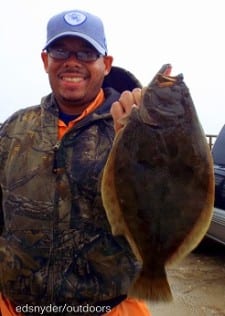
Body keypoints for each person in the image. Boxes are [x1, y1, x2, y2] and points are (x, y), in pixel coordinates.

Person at [0, 9, 151, 316]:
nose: (72, 61)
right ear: (45, 60)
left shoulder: (136, 127)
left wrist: (141, 142)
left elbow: (162, 214)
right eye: (60, 50)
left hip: (111, 308)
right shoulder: (13, 130)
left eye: (86, 52)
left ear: (105, 64)